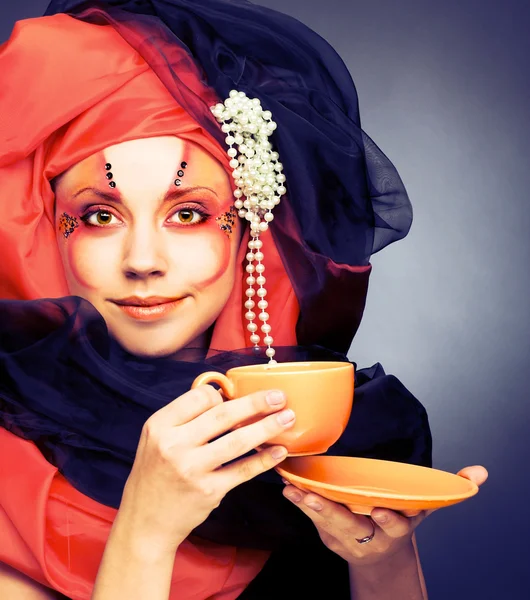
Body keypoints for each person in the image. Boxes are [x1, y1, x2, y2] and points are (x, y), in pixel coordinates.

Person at [0, 1, 487, 598]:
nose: (143, 260)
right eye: (100, 215)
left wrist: (381, 558)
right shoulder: (8, 457)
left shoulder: (318, 439)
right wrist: (146, 532)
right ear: (47, 230)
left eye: (188, 213)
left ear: (248, 231)